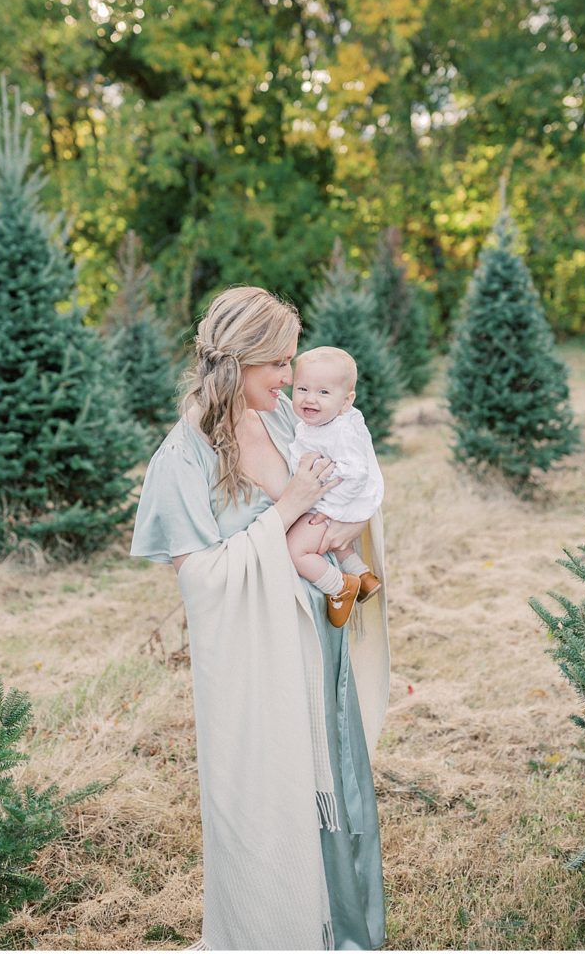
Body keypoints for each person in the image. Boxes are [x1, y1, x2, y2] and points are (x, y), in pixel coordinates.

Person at [130, 286, 390, 951]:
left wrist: (345, 522)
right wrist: (289, 506)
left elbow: (349, 486)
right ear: (238, 361)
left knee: (337, 795)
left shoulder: (282, 419)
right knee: (270, 810)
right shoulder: (185, 454)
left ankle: (342, 933)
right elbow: (200, 579)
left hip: (318, 645)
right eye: (276, 364)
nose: (289, 379)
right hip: (257, 666)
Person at [287, 346, 384, 629]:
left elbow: (355, 473)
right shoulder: (318, 423)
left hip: (340, 503)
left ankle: (339, 586)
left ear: (346, 401)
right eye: (303, 388)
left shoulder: (339, 431)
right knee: (338, 547)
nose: (310, 399)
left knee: (298, 550)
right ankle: (363, 577)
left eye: (323, 393)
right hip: (340, 502)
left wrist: (330, 512)